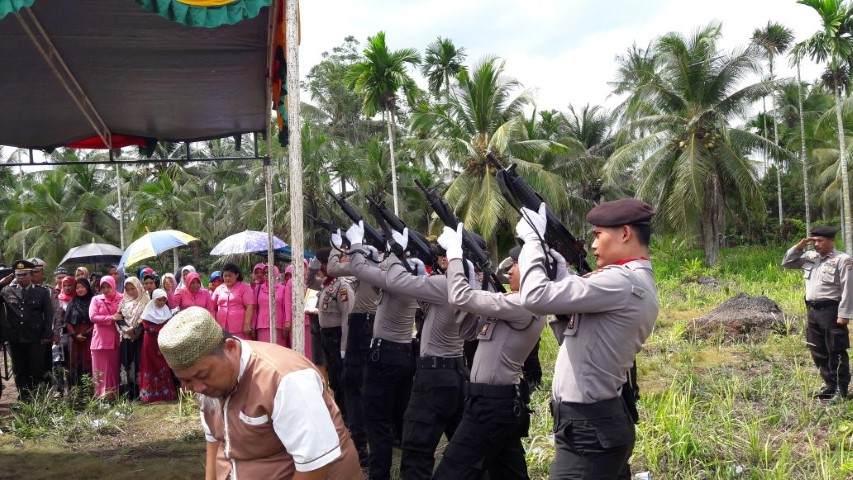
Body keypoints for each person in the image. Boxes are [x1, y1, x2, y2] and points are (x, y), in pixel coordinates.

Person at [515, 199, 658, 479]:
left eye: (598, 235)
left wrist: (532, 241)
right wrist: (562, 278)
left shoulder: (621, 281)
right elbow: (576, 341)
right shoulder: (630, 280)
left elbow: (533, 296)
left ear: (625, 234)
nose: (593, 245)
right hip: (592, 425)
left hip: (589, 433)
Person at [158, 307, 363, 479]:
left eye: (202, 375)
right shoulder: (203, 381)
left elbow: (315, 464)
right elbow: (214, 439)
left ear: (230, 347)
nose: (198, 388)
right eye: (185, 380)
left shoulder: (285, 379)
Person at [432, 233, 547, 479]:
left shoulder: (523, 305)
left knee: (450, 472)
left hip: (491, 406)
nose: (510, 270)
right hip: (495, 404)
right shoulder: (511, 303)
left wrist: (455, 259)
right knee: (509, 473)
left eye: (516, 264)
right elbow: (469, 330)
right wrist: (470, 280)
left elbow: (460, 296)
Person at [344, 226, 420, 480]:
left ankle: (379, 475)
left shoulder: (395, 280)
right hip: (405, 354)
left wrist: (356, 244)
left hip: (383, 357)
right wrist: (393, 252)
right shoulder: (413, 281)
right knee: (401, 419)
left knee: (377, 424)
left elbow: (360, 269)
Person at [326, 235, 381, 468]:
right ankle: (369, 444)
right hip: (375, 326)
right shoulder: (383, 269)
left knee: (352, 385)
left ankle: (362, 447)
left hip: (361, 326)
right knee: (368, 387)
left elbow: (332, 268)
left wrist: (335, 248)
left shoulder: (365, 269)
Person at [782, 226, 851, 403]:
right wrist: (799, 247)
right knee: (818, 349)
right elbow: (787, 263)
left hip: (831, 311)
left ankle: (841, 389)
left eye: (820, 241)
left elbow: (848, 289)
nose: (817, 244)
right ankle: (829, 385)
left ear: (831, 241)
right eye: (814, 241)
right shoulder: (810, 257)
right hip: (812, 310)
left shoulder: (842, 260)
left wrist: (844, 314)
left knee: (835, 349)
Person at [306, 248, 353, 423]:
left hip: (337, 336)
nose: (322, 268)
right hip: (326, 336)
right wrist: (313, 264)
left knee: (341, 379)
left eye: (324, 264)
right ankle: (341, 412)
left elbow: (347, 318)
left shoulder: (342, 287)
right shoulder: (326, 283)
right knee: (333, 377)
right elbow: (310, 281)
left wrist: (343, 347)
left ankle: (346, 416)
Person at [0, 260, 54, 401]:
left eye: (24, 274)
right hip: (15, 338)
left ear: (31, 275)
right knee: (19, 370)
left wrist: (47, 334)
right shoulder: (7, 291)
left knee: (36, 369)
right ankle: (24, 398)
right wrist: (1, 283)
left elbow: (49, 315)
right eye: (18, 275)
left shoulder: (41, 292)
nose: (21, 277)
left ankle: (36, 399)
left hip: (35, 337)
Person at [139, 289, 177, 402]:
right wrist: (161, 329)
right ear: (154, 299)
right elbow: (146, 326)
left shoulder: (167, 311)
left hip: (163, 342)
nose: (161, 302)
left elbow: (170, 326)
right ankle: (149, 394)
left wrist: (163, 331)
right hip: (150, 343)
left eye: (163, 300)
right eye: (158, 300)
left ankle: (165, 393)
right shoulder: (148, 311)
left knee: (162, 365)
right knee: (150, 365)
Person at [89, 276, 123, 400]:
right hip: (100, 341)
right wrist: (111, 318)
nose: (106, 289)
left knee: (114, 369)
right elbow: (93, 317)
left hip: (116, 340)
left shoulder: (122, 298)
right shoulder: (96, 299)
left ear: (113, 285)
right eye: (103, 287)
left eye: (108, 286)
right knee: (100, 370)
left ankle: (114, 395)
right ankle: (100, 397)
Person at [115, 277, 149, 400]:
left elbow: (146, 318)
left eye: (133, 288)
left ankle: (141, 392)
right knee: (126, 362)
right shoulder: (123, 302)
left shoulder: (145, 300)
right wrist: (127, 330)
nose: (131, 292)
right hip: (126, 338)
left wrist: (135, 330)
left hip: (140, 338)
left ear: (138, 287)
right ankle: (128, 394)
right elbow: (118, 318)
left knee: (139, 362)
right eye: (128, 289)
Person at [211, 263, 256, 340]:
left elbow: (249, 306)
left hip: (239, 327)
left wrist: (247, 324)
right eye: (225, 276)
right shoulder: (219, 288)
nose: (227, 278)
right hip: (221, 327)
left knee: (240, 348)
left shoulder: (245, 287)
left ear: (237, 275)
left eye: (230, 275)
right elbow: (212, 306)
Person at [65, 279, 94, 388]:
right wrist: (74, 335)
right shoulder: (72, 302)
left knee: (88, 361)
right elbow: (67, 321)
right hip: (74, 338)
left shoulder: (93, 301)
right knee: (75, 362)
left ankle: (89, 389)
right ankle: (76, 389)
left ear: (87, 288)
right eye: (77, 288)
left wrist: (86, 334)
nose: (80, 290)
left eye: (82, 287)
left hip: (89, 337)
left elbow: (95, 322)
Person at [254, 264, 287, 346]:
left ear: (275, 273)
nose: (266, 274)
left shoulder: (282, 289)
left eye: (269, 272)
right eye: (264, 272)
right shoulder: (258, 288)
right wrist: (252, 326)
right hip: (262, 326)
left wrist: (285, 325)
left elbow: (285, 308)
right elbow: (254, 308)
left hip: (278, 326)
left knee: (278, 352)